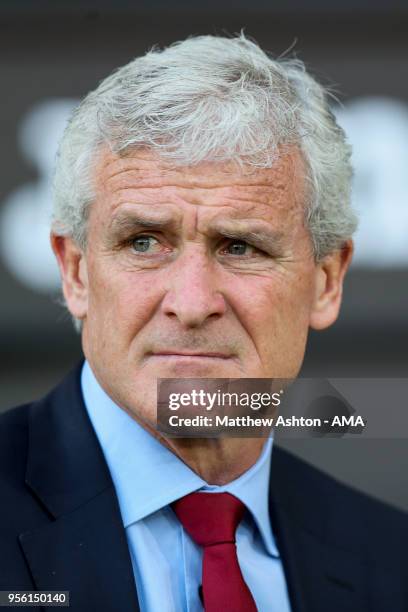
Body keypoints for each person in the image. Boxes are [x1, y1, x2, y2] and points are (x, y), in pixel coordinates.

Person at [0, 34, 406, 612]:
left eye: (240, 247)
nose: (191, 304)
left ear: (326, 280)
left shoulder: (390, 561)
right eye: (144, 242)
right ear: (75, 272)